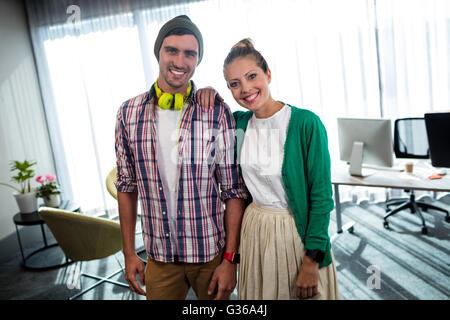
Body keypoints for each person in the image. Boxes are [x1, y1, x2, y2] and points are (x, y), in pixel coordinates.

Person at [114, 15, 247, 300]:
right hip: (159, 258)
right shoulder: (128, 113)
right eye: (171, 50)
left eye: (190, 53)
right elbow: (126, 186)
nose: (180, 60)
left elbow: (233, 191)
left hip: (210, 255)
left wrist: (230, 259)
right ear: (158, 53)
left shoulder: (214, 111)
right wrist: (129, 252)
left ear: (198, 60)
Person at [198, 38, 340, 300]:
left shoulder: (306, 123)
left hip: (295, 232)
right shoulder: (238, 122)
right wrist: (205, 90)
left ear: (268, 74)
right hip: (255, 231)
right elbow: (208, 113)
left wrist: (312, 260)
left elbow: (322, 199)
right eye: (234, 84)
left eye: (252, 76)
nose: (246, 89)